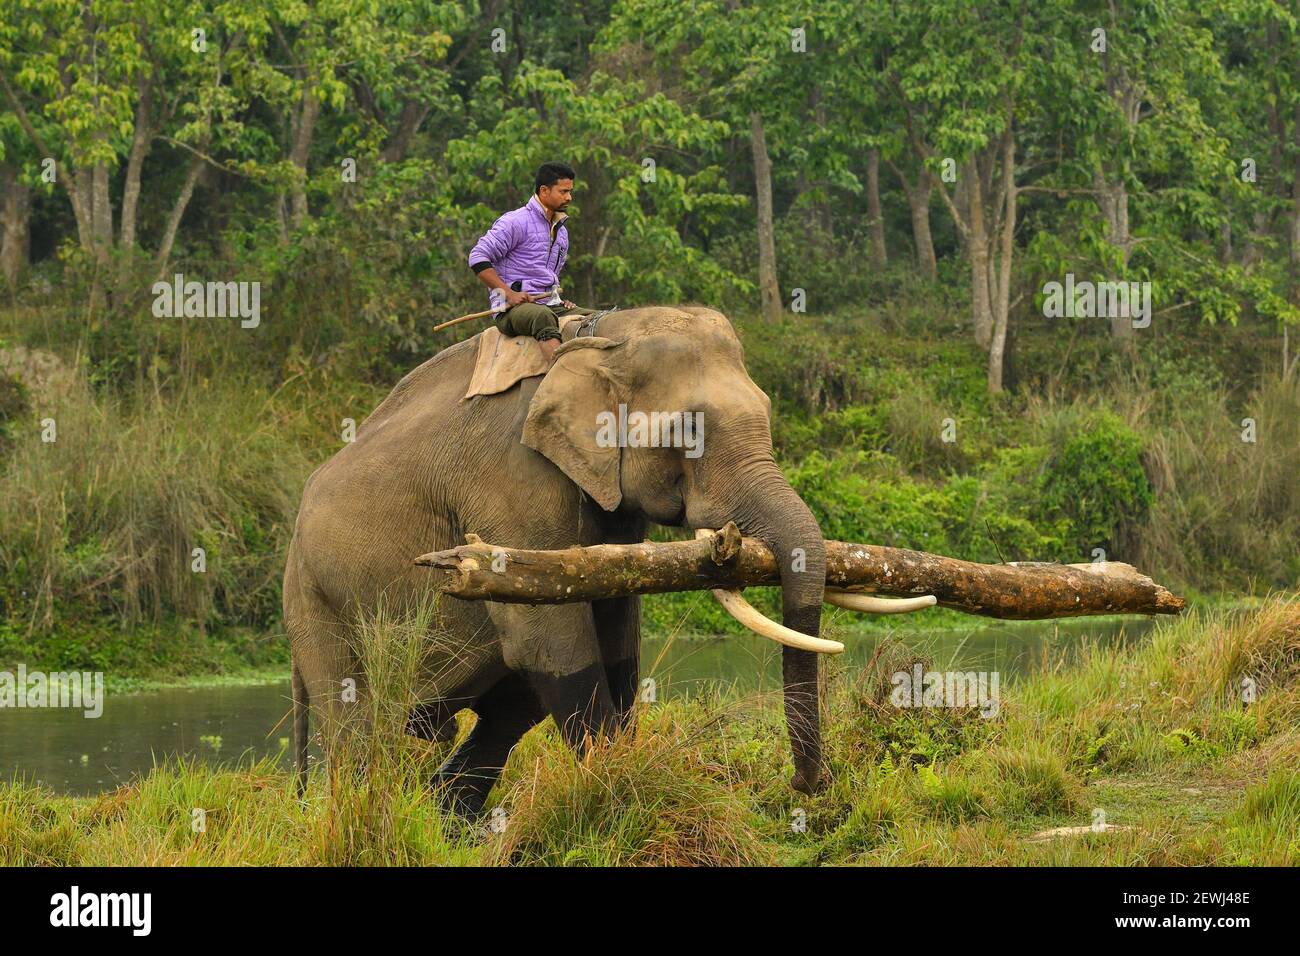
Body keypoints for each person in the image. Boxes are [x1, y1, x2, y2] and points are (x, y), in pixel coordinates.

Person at [467, 161, 597, 361]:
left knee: (599, 318)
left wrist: (558, 300)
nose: (569, 197)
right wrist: (508, 294)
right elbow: (477, 257)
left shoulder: (562, 233)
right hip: (511, 310)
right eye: (563, 192)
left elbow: (549, 278)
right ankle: (561, 375)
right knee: (542, 317)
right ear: (544, 191)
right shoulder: (514, 221)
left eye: (570, 192)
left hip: (551, 305)